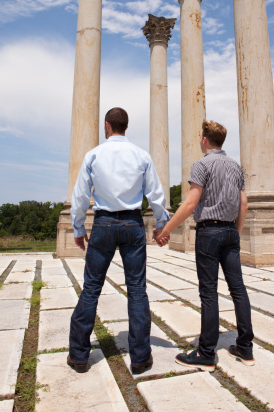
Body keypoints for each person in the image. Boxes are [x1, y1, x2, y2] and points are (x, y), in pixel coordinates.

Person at [68, 107, 169, 374]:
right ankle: (140, 358)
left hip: (103, 223)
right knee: (137, 289)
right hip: (132, 223)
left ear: (107, 125)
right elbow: (156, 194)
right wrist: (162, 225)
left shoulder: (94, 155)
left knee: (91, 288)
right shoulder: (141, 155)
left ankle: (79, 356)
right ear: (126, 126)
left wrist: (78, 227)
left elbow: (80, 196)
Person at [154, 120, 254, 372]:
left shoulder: (201, 165)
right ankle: (245, 347)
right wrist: (235, 233)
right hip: (231, 230)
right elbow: (243, 205)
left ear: (205, 139)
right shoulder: (235, 167)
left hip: (209, 232)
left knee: (208, 292)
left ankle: (206, 352)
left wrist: (166, 230)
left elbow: (189, 204)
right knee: (238, 289)